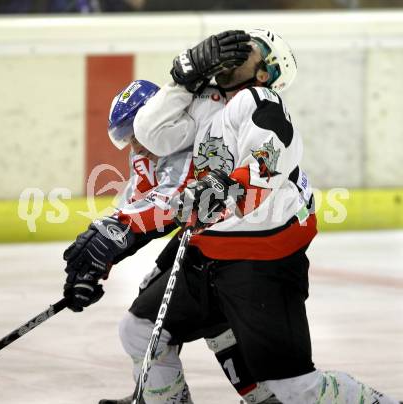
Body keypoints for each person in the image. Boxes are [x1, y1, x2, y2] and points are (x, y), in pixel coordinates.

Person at [125, 29, 401, 404]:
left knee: (295, 388)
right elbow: (150, 134)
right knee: (139, 330)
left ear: (264, 73)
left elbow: (271, 155)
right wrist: (181, 76)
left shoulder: (259, 100)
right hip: (206, 257)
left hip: (259, 262)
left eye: (249, 51)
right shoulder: (203, 101)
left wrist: (227, 189)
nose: (235, 52)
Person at [62, 79, 280, 404]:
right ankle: (258, 395)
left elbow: (172, 201)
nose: (134, 146)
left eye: (135, 134)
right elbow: (138, 204)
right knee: (176, 305)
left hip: (237, 241)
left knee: (146, 325)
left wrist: (113, 231)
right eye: (126, 138)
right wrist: (99, 261)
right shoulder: (148, 153)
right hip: (209, 238)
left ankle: (249, 395)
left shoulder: (192, 139)